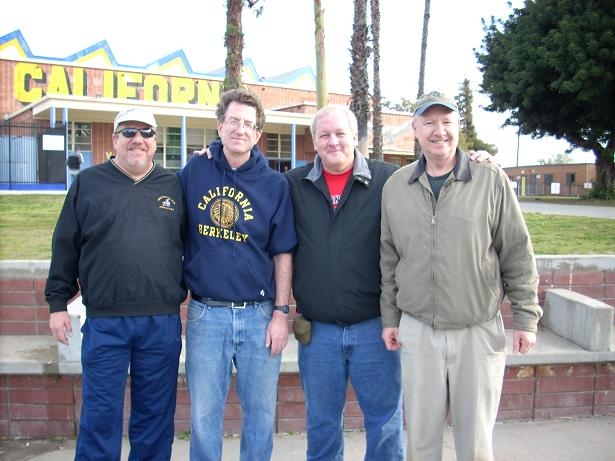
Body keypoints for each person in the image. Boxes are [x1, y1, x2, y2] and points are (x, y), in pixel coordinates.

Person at [379, 91, 543, 461]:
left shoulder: (490, 179)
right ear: (416, 130)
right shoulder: (396, 187)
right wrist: (391, 318)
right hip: (419, 330)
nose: (439, 131)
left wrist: (526, 318)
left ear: (459, 127)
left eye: (447, 122)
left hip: (478, 331)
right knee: (421, 441)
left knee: (476, 442)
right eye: (430, 123)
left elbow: (516, 250)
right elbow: (389, 259)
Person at [45, 107, 186, 460]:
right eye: (128, 132)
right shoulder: (89, 184)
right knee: (100, 415)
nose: (137, 139)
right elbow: (65, 245)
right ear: (114, 139)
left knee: (154, 417)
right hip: (106, 322)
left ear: (155, 142)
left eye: (146, 133)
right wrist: (58, 305)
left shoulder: (174, 185)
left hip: (161, 321)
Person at [178, 88, 296, 461]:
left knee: (260, 414)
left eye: (248, 124)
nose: (239, 129)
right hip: (206, 314)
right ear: (220, 126)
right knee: (204, 414)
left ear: (258, 134)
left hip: (259, 314)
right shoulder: (195, 170)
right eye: (233, 121)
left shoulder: (275, 186)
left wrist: (281, 313)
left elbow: (283, 253)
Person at [285, 104, 405, 461]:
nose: (333, 141)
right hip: (319, 333)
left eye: (341, 133)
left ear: (356, 137)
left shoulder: (389, 180)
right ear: (314, 141)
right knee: (321, 422)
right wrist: (212, 153)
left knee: (384, 421)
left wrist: (477, 162)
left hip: (375, 330)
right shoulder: (294, 184)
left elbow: (437, 171)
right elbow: (250, 178)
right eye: (324, 134)